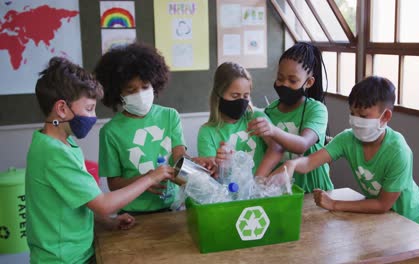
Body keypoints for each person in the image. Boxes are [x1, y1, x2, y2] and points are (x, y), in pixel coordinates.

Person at [25, 57, 174, 263]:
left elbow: (78, 202)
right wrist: (151, 178)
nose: (93, 117)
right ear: (61, 109)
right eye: (88, 109)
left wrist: (106, 223)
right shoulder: (54, 153)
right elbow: (103, 204)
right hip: (63, 259)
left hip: (78, 251)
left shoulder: (63, 144)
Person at [274, 76, 419, 227]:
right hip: (381, 218)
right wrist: (291, 164)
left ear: (385, 116)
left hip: (411, 220)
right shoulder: (348, 139)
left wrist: (334, 204)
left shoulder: (398, 151)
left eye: (363, 115)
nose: (356, 120)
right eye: (352, 113)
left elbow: (382, 204)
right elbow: (309, 162)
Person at [94, 43, 211, 215]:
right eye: (131, 90)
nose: (140, 94)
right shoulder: (110, 132)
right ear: (118, 93)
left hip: (171, 208)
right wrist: (146, 180)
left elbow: (179, 157)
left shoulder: (170, 116)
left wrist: (196, 164)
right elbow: (113, 183)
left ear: (154, 84)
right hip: (132, 213)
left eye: (145, 86)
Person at [247, 42, 333, 192]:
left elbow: (302, 144)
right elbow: (269, 153)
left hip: (315, 192)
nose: (284, 84)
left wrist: (273, 130)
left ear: (309, 82)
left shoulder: (316, 110)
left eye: (292, 81)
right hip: (285, 192)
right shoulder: (270, 111)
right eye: (280, 78)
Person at [197, 62, 283, 177]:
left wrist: (257, 181)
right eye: (235, 96)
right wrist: (221, 165)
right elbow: (213, 173)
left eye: (246, 96)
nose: (241, 101)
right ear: (219, 95)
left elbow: (276, 149)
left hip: (261, 192)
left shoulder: (256, 118)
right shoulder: (207, 132)